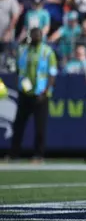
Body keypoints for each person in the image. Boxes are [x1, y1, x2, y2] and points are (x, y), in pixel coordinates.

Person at [9, 28, 57, 163]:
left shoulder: (47, 51)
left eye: (38, 35)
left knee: (40, 126)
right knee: (18, 125)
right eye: (33, 35)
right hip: (25, 93)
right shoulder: (23, 50)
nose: (35, 37)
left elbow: (52, 73)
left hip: (40, 94)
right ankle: (14, 153)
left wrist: (46, 91)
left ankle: (38, 154)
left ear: (41, 36)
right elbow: (18, 69)